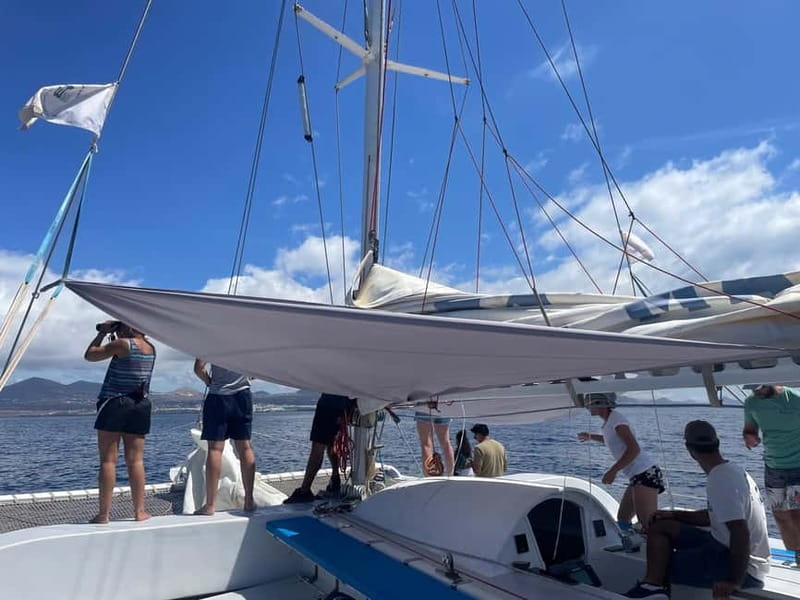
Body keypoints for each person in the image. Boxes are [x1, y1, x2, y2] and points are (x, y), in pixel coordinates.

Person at [624, 420, 769, 600]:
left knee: (663, 563)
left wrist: (734, 581)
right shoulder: (733, 470)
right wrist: (673, 515)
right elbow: (715, 516)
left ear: (689, 449)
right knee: (662, 527)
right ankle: (654, 587)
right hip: (724, 546)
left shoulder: (720, 479)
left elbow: (740, 532)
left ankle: (655, 589)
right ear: (717, 444)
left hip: (743, 568)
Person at [84, 320, 156, 524]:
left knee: (108, 460)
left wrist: (102, 334)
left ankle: (104, 514)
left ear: (129, 327)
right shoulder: (151, 348)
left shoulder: (123, 345)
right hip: (140, 404)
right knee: (136, 461)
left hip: (115, 403)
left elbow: (90, 355)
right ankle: (140, 511)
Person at [577, 392, 664, 532]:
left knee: (648, 523)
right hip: (636, 475)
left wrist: (613, 471)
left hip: (645, 472)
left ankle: (659, 549)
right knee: (623, 518)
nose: (587, 407)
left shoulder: (617, 421)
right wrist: (590, 436)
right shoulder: (609, 422)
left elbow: (634, 449)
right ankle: (633, 547)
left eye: (590, 404)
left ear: (601, 405)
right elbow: (612, 440)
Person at [743, 384, 800, 567]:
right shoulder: (751, 403)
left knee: (796, 514)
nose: (756, 392)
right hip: (773, 467)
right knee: (781, 516)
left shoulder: (796, 399)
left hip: (798, 466)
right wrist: (750, 437)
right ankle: (797, 556)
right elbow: (750, 429)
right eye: (752, 389)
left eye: (759, 388)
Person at [192, 360, 256, 515]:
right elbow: (256, 370)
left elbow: (198, 368)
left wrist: (210, 382)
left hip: (218, 396)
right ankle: (248, 500)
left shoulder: (211, 340)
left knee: (215, 449)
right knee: (245, 447)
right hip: (242, 396)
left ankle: (210, 505)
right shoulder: (249, 339)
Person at [284, 393, 354, 503]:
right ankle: (335, 479)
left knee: (318, 446)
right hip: (345, 405)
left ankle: (304, 491)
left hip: (329, 403)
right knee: (332, 442)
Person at [415, 401, 454, 476]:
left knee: (426, 443)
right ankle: (450, 475)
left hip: (425, 402)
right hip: (444, 404)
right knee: (446, 443)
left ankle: (429, 476)